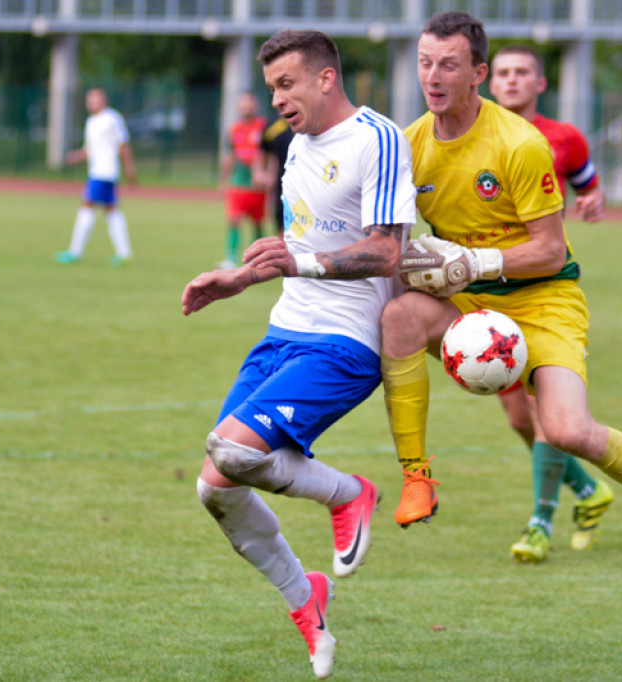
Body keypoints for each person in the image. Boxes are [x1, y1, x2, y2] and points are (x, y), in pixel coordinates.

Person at [382, 11, 622, 573]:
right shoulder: (407, 147)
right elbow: (390, 243)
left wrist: (474, 260)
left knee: (568, 431)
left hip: (543, 296)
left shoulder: (519, 143)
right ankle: (416, 477)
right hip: (470, 299)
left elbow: (550, 250)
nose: (433, 76)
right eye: (425, 63)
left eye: (448, 65)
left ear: (478, 73)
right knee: (399, 317)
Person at [183, 29, 416, 679]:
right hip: (285, 329)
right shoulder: (296, 147)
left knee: (234, 451)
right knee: (215, 485)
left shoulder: (377, 138)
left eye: (286, 84)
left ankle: (350, 494)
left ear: (325, 78)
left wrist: (300, 262)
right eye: (271, 88)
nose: (277, 99)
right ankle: (304, 597)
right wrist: (241, 277)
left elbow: (387, 252)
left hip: (346, 340)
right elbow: (298, 250)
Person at [487, 44, 612, 562]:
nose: (511, 80)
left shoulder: (563, 137)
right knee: (518, 415)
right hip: (489, 289)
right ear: (490, 81)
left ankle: (539, 523)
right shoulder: (476, 134)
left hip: (541, 288)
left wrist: (593, 198)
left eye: (522, 72)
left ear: (540, 83)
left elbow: (587, 181)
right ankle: (588, 489)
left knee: (543, 410)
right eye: (503, 72)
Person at [55, 88, 138, 267]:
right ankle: (124, 254)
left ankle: (75, 251)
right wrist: (77, 156)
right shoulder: (91, 121)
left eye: (96, 99)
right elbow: (90, 149)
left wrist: (130, 168)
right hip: (97, 172)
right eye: (90, 100)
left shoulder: (112, 118)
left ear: (104, 100)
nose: (93, 103)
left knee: (87, 206)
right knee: (111, 210)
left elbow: (123, 144)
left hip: (104, 172)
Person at [218, 92, 268, 269]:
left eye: (249, 104)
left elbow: (269, 154)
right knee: (233, 220)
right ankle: (231, 257)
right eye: (243, 104)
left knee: (258, 222)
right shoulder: (234, 129)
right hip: (237, 182)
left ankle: (259, 257)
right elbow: (229, 156)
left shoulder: (263, 127)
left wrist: (265, 174)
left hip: (257, 185)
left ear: (256, 106)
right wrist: (223, 181)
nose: (246, 108)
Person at [257, 114, 295, 236]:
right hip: (282, 185)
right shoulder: (274, 127)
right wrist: (261, 172)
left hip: (307, 184)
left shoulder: (310, 125)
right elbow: (264, 150)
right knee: (282, 224)